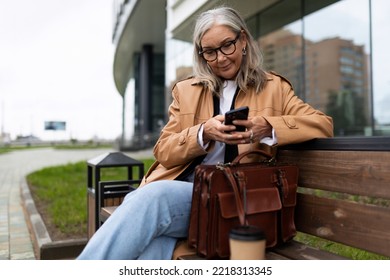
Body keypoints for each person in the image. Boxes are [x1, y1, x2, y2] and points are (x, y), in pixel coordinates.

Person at [77, 6, 333, 260]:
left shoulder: (274, 87)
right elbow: (163, 151)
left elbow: (322, 124)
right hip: (185, 193)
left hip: (234, 199)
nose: (220, 58)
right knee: (152, 245)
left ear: (243, 40)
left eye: (227, 45)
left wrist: (268, 127)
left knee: (151, 200)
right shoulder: (187, 91)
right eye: (210, 51)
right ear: (201, 54)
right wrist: (202, 133)